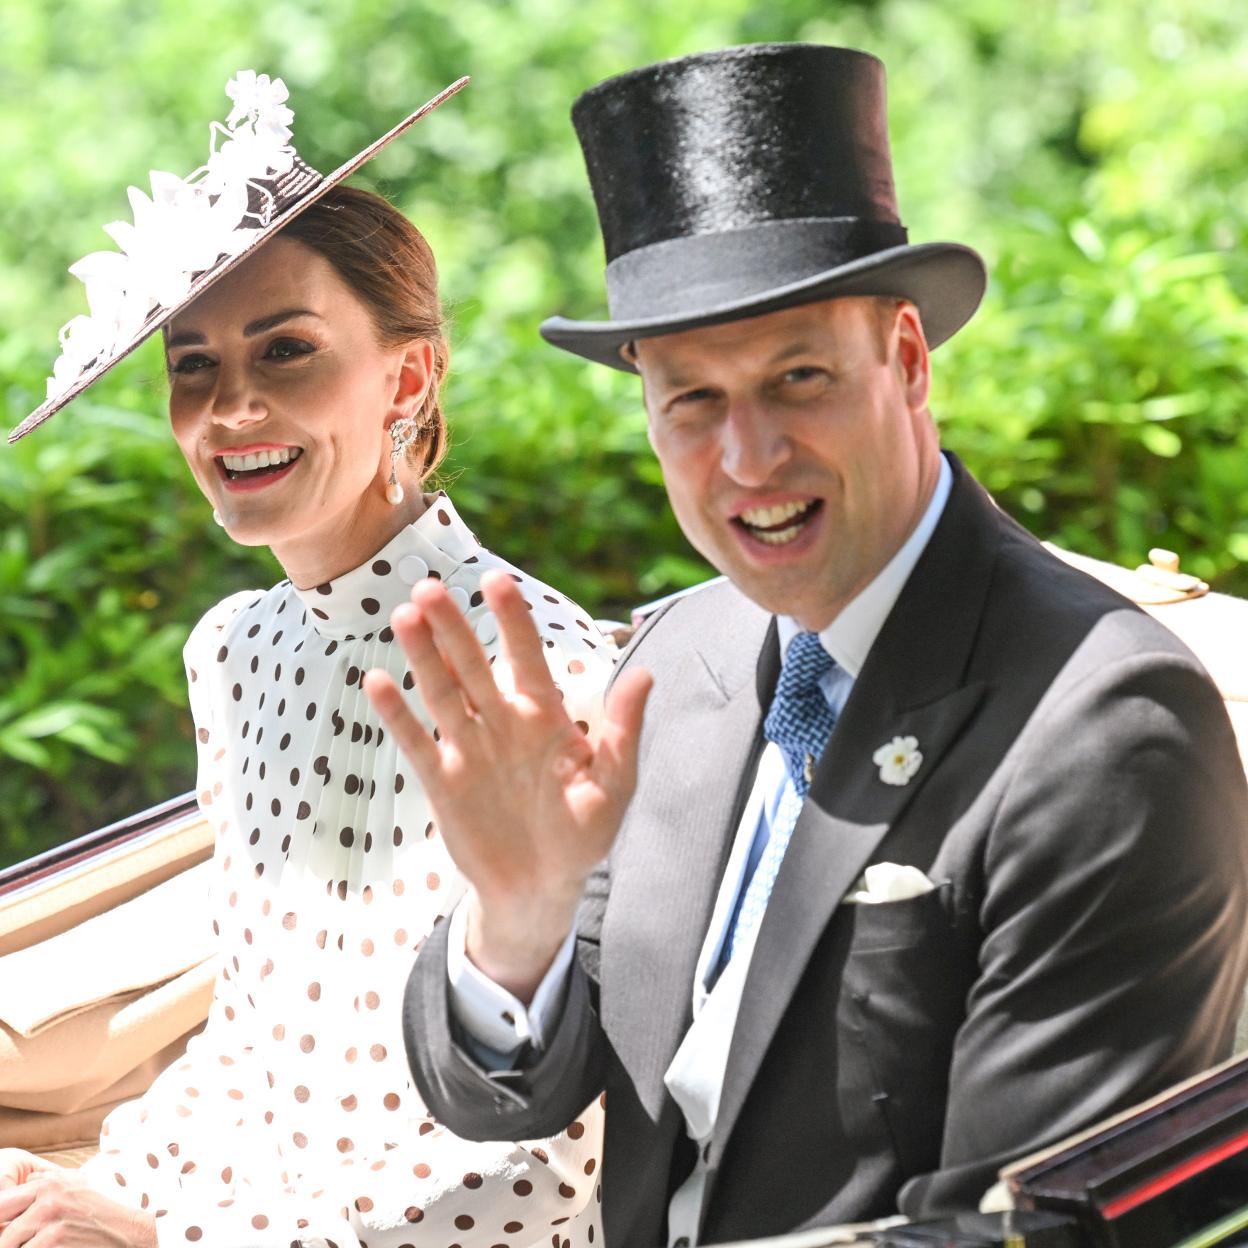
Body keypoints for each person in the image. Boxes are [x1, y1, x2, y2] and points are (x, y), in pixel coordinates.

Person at [379, 43, 1248, 1246]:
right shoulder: (676, 659)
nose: (748, 460)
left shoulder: (1106, 727)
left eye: (797, 379)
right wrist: (515, 918)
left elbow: (1027, 1232)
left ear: (904, 360)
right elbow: (501, 1091)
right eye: (693, 400)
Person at [0, 73, 607, 1247]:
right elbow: (255, 1043)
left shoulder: (537, 679)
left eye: (286, 352)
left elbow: (536, 1165)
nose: (231, 409)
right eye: (192, 365)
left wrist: (159, 1241)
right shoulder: (235, 650)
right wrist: (84, 1192)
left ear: (409, 377)